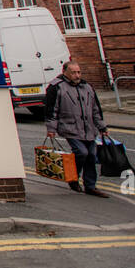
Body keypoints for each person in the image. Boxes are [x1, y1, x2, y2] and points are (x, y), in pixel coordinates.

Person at [44, 61, 108, 197]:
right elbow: (51, 110)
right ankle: (73, 178)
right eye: (73, 72)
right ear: (65, 72)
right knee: (82, 153)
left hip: (89, 129)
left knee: (91, 156)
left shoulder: (87, 87)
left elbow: (96, 108)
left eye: (78, 72)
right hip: (70, 127)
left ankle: (90, 186)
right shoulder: (56, 87)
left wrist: (102, 127)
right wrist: (51, 129)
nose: (77, 75)